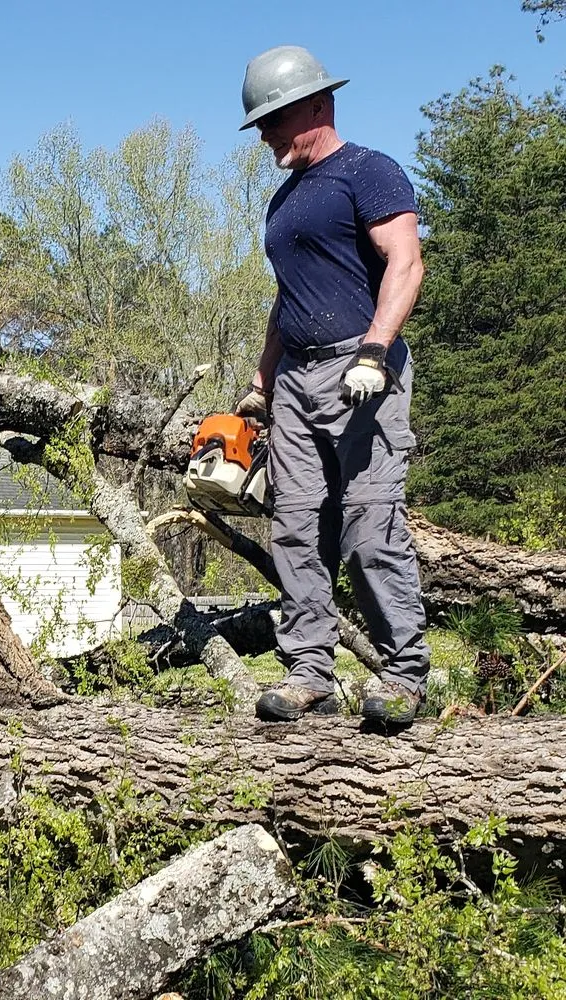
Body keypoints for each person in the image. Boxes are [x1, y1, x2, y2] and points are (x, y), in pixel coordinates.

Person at [234, 44, 430, 725]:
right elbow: (288, 297)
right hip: (295, 378)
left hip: (362, 370)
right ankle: (310, 673)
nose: (265, 134)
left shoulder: (368, 171)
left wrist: (375, 350)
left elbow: (405, 262)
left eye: (273, 119)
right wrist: (263, 380)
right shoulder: (283, 202)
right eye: (260, 122)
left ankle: (403, 675)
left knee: (370, 527)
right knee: (294, 528)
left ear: (317, 105)